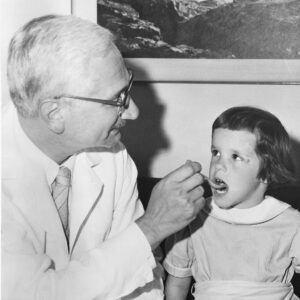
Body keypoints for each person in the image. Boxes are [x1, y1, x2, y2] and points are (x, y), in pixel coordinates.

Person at [2, 15, 207, 300]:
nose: (133, 112)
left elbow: (144, 281)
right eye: (117, 99)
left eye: (128, 88)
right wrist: (152, 227)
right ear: (55, 114)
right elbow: (37, 294)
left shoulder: (111, 154)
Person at [164, 106, 300, 300]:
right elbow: (177, 284)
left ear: (266, 172)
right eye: (216, 152)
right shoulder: (193, 216)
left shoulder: (291, 223)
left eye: (235, 157)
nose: (219, 165)